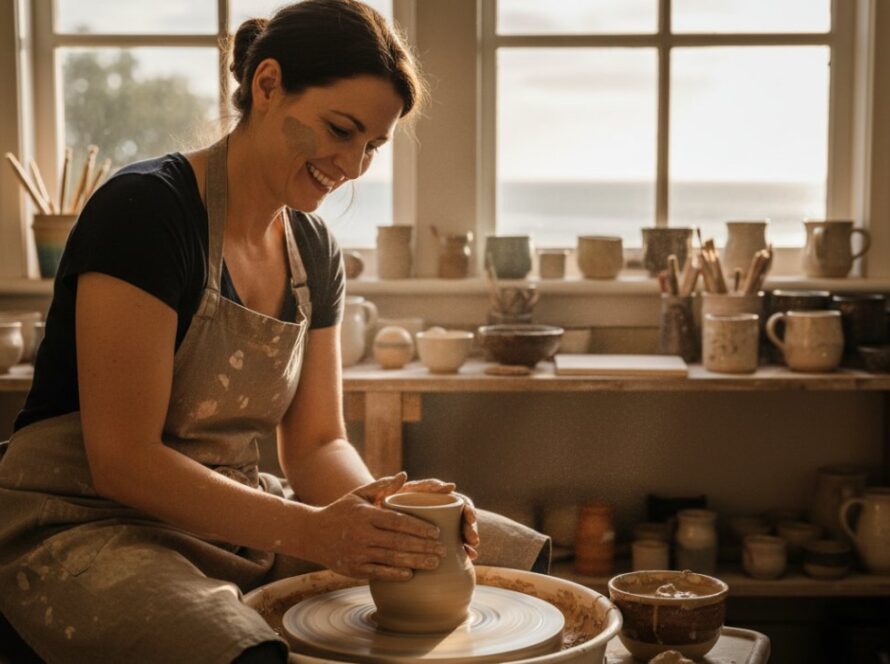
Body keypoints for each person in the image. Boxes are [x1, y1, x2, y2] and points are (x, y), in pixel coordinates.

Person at [0, 1, 550, 662]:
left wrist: (393, 513)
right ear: (266, 86)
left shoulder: (313, 250)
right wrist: (316, 533)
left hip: (235, 519)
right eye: (340, 129)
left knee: (518, 561)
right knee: (245, 652)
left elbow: (318, 445)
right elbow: (124, 459)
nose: (352, 164)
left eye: (372, 145)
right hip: (88, 524)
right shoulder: (147, 210)